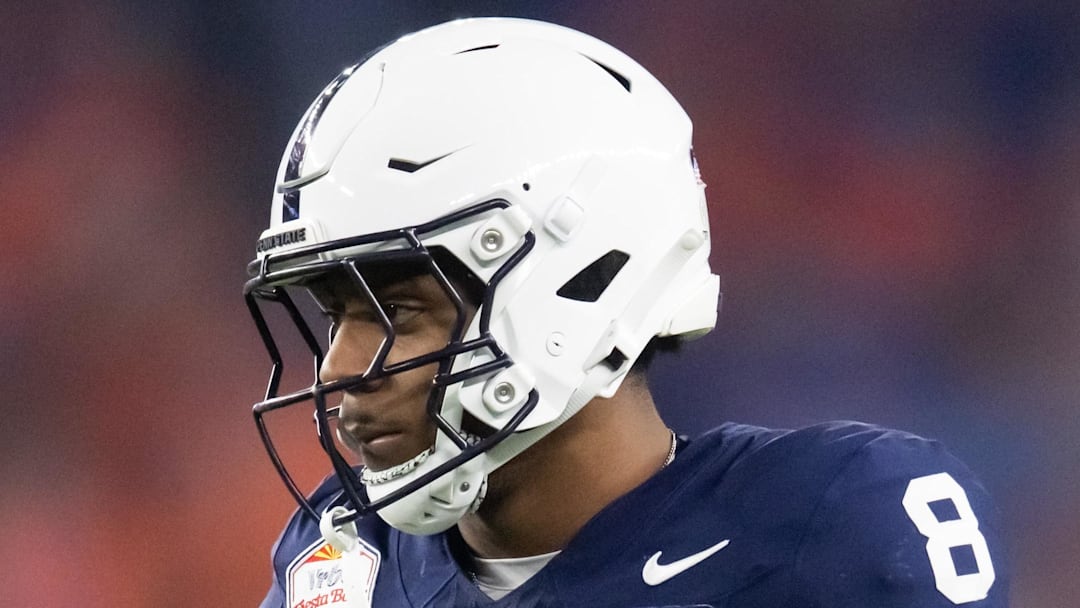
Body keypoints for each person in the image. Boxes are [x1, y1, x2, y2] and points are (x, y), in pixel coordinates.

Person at [244, 17, 1009, 607]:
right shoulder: (345, 562)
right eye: (335, 316)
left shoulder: (831, 523)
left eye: (398, 311)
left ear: (576, 283)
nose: (340, 370)